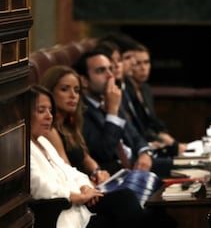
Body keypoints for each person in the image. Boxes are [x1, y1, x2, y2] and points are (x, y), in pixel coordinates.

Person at [29, 84, 147, 228]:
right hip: (63, 218)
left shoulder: (43, 141)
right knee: (127, 202)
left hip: (81, 211)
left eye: (50, 110)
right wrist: (78, 197)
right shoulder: (22, 148)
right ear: (24, 113)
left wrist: (85, 187)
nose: (49, 116)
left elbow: (69, 170)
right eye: (41, 110)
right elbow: (39, 186)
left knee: (131, 201)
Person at [73, 49, 172, 177]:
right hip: (118, 174)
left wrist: (144, 153)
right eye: (101, 71)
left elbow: (135, 135)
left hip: (138, 164)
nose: (110, 75)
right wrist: (112, 112)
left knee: (195, 170)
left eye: (110, 69)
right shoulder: (81, 112)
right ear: (84, 81)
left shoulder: (109, 99)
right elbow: (105, 152)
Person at [97, 33, 187, 157]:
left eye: (146, 62)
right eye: (128, 58)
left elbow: (145, 126)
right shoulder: (116, 92)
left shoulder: (139, 89)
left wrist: (149, 147)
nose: (134, 63)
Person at [40, 65, 111, 184]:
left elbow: (86, 158)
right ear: (49, 93)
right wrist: (90, 184)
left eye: (77, 90)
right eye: (64, 89)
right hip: (73, 189)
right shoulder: (49, 129)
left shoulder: (70, 124)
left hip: (85, 184)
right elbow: (66, 170)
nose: (73, 95)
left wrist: (97, 172)